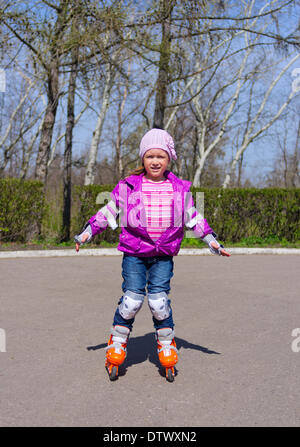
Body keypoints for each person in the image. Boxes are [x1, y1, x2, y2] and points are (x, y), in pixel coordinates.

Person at [74, 128, 230, 382]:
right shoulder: (129, 186)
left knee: (159, 303)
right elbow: (108, 211)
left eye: (160, 156)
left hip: (163, 256)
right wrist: (86, 233)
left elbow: (194, 218)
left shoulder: (178, 188)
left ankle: (166, 343)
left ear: (169, 159)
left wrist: (211, 241)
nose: (155, 161)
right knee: (132, 300)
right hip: (135, 253)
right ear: (143, 159)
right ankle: (118, 341)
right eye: (149, 156)